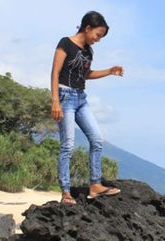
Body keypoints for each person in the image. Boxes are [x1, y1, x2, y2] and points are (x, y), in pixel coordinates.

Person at [51, 11, 123, 205]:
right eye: (97, 35)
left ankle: (95, 184)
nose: (98, 40)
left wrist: (109, 71)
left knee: (97, 139)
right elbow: (55, 73)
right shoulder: (65, 43)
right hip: (65, 97)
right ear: (87, 28)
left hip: (81, 98)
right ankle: (66, 192)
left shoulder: (88, 51)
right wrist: (55, 101)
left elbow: (85, 74)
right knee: (67, 145)